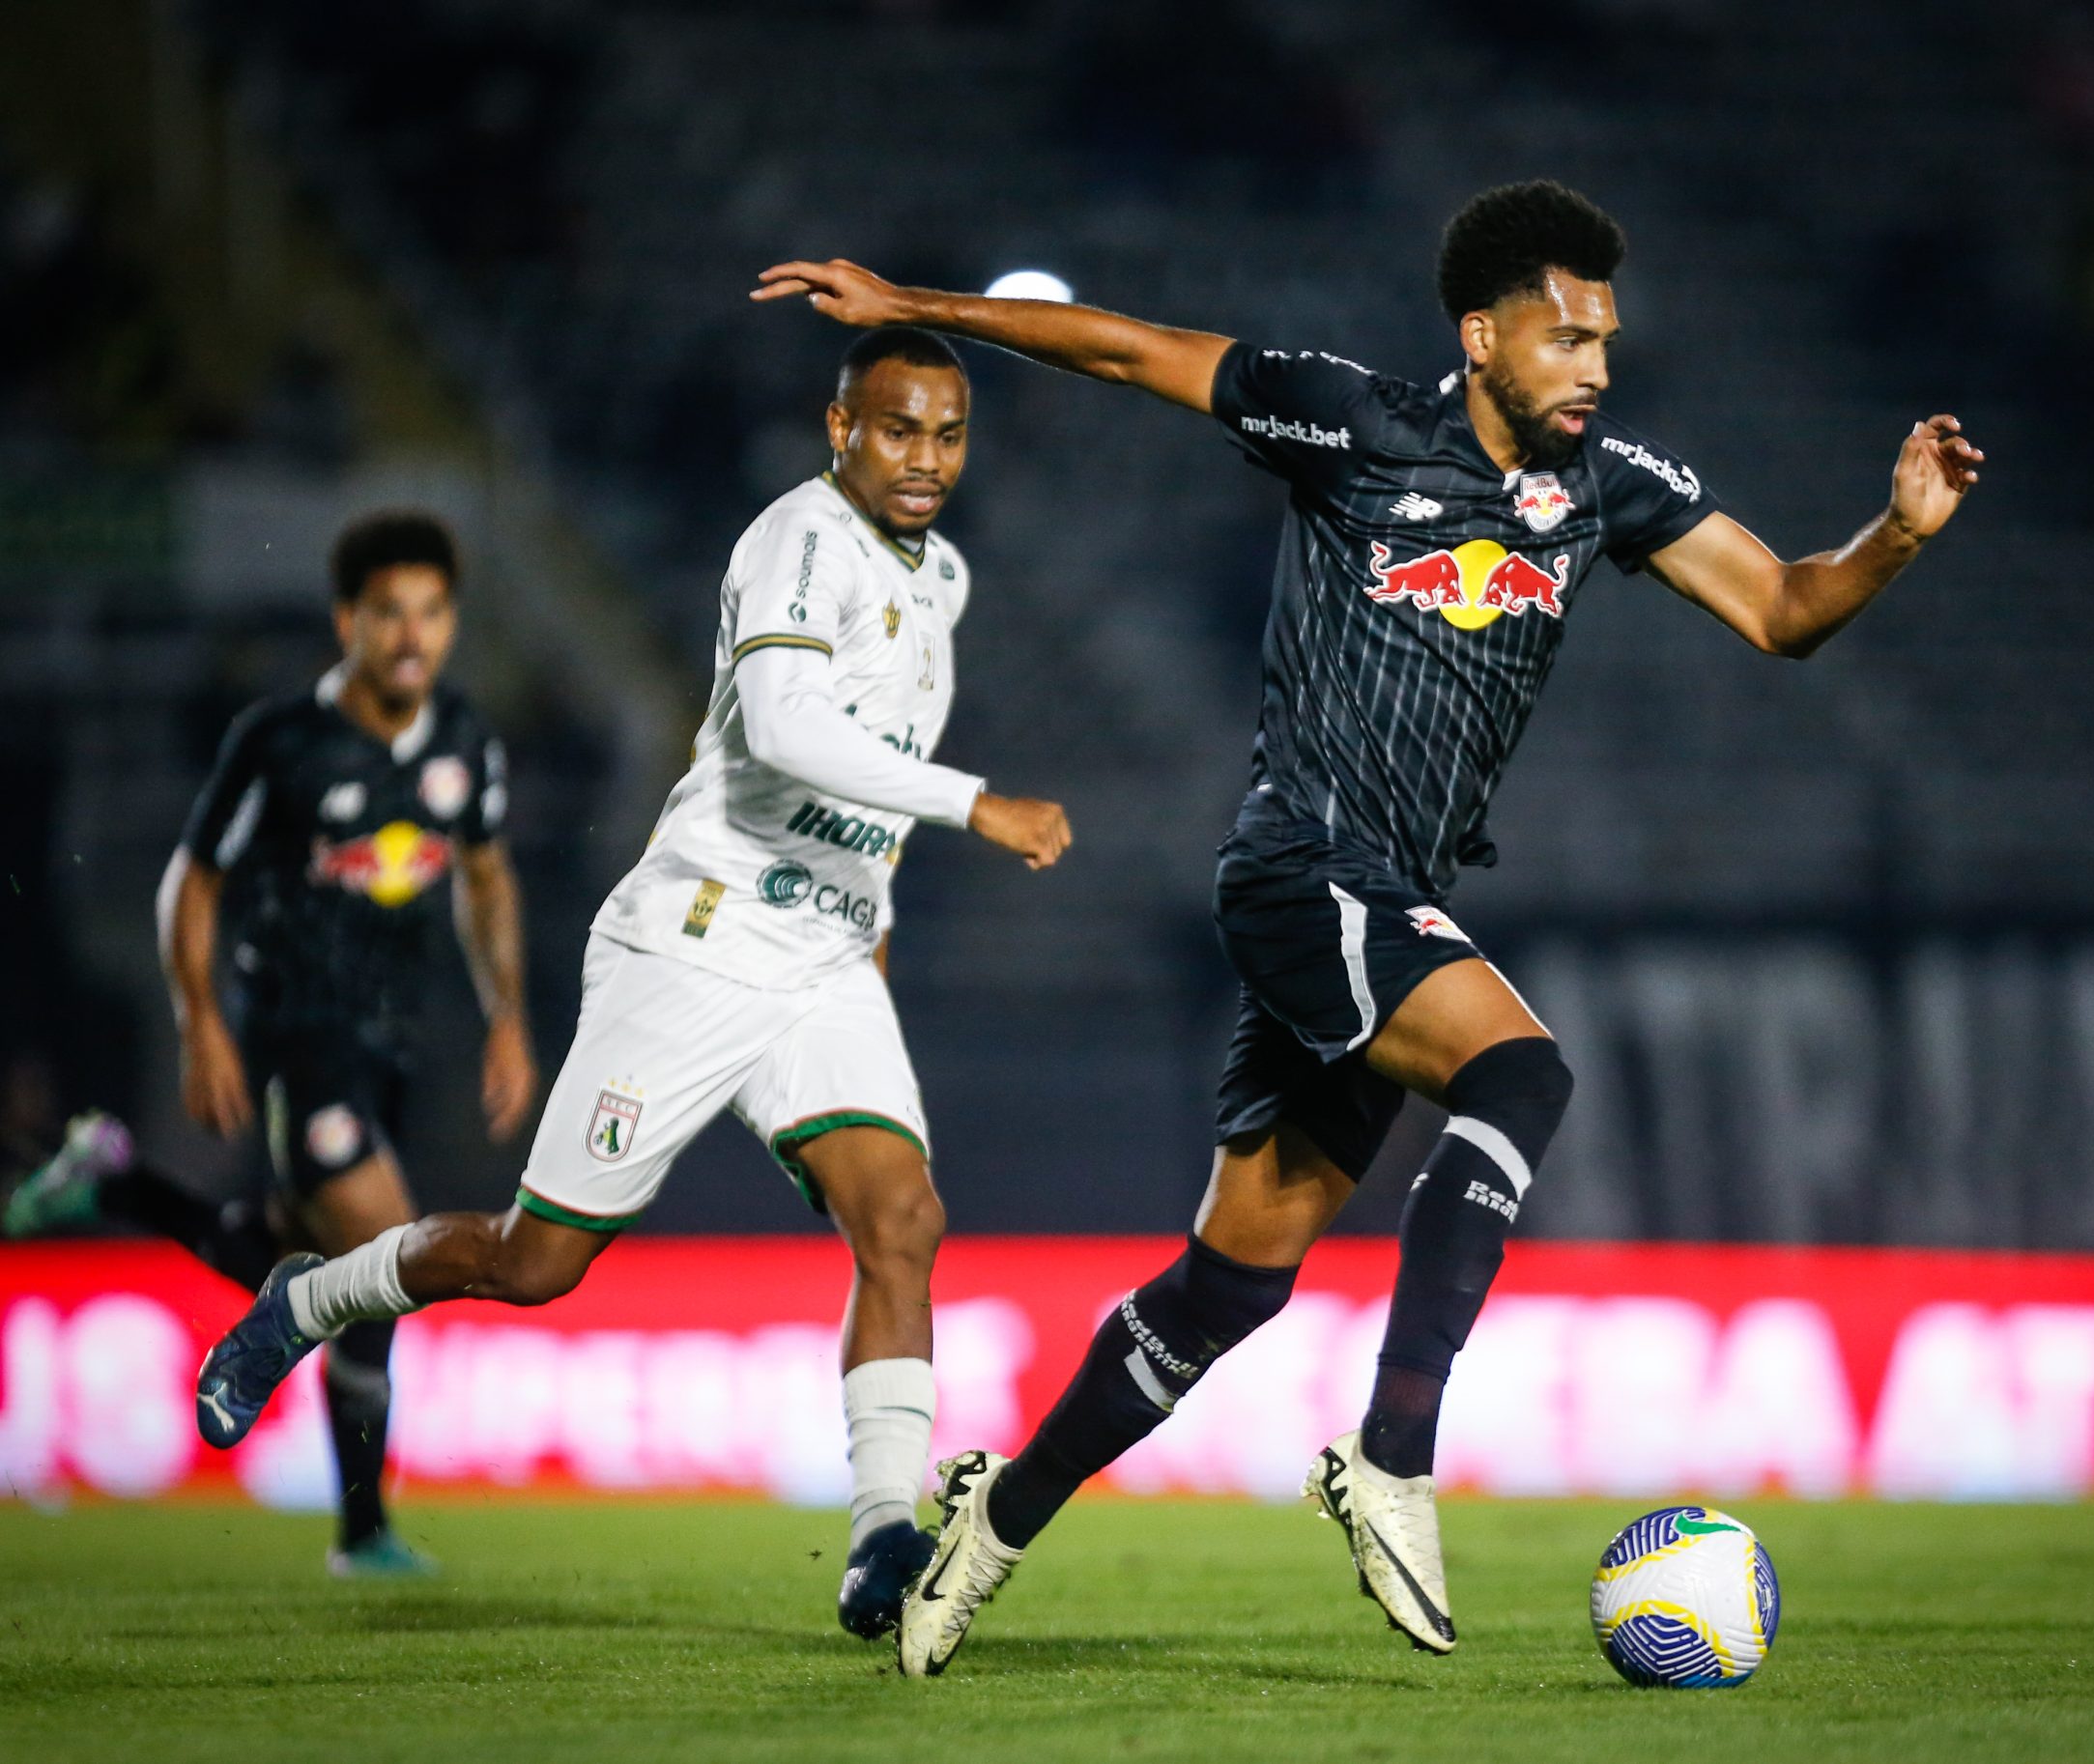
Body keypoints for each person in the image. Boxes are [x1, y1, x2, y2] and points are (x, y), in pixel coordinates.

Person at [750, 179, 1985, 1674]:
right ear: (1482, 335)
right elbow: (1136, 351)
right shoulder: (1352, 422)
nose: (1597, 365)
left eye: (1609, 338)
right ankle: (1393, 1446)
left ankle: (989, 1526)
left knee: (1228, 1283)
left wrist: (1898, 536)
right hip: (1300, 869)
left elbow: (1788, 609)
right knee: (1522, 1073)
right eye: (1568, 335)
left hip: (1388, 897)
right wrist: (922, 308)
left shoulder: (1608, 486)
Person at [188, 328, 1075, 1640]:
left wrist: (872, 922)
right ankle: (308, 1298)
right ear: (841, 430)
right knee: (534, 1260)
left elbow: (857, 783)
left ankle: (885, 1534)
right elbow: (780, 727)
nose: (925, 458)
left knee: (903, 1218)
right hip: (697, 941)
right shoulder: (797, 538)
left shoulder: (939, 577)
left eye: (947, 434)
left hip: (824, 955)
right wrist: (974, 803)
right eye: (898, 429)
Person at [6, 509, 536, 1578]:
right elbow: (191, 880)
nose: (410, 635)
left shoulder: (465, 739)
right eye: (388, 610)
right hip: (296, 1028)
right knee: (389, 1251)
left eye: (431, 612)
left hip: (394, 1034)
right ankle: (363, 1533)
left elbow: (484, 875)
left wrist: (508, 1013)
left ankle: (118, 1182)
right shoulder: (281, 742)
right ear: (348, 618)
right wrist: (200, 1017)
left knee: (321, 1268)